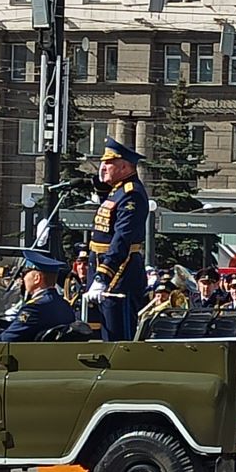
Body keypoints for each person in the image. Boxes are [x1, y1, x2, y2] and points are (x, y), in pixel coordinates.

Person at [83, 137, 149, 341]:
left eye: (107, 163)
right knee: (99, 327)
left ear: (124, 166)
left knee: (117, 329)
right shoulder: (117, 191)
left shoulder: (132, 194)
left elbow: (122, 238)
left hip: (120, 270)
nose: (102, 168)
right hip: (100, 263)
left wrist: (103, 276)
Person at [0, 251, 76, 341]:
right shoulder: (63, 304)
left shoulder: (34, 309)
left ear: (37, 278)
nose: (22, 278)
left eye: (25, 273)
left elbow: (2, 343)